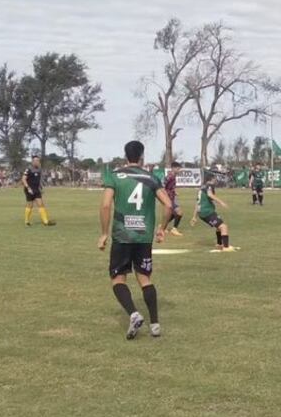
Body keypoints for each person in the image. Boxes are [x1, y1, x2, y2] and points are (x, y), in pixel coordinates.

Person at [98, 141, 173, 339]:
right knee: (144, 278)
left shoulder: (114, 176)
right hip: (143, 236)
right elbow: (168, 205)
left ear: (125, 156)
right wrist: (161, 229)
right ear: (142, 157)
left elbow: (105, 206)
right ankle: (155, 324)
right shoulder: (151, 178)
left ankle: (134, 313)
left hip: (122, 236)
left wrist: (104, 233)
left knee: (118, 278)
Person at [191, 174, 235, 252]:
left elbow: (198, 203)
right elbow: (210, 194)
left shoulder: (202, 188)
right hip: (207, 212)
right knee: (223, 227)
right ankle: (226, 247)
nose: (216, 180)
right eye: (215, 179)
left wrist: (194, 217)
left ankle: (219, 244)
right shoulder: (209, 186)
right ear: (211, 179)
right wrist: (221, 202)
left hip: (202, 212)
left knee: (219, 227)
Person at [23, 155, 56, 226]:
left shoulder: (39, 169)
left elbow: (39, 180)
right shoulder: (28, 169)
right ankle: (26, 221)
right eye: (35, 160)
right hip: (29, 189)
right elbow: (23, 179)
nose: (37, 162)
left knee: (41, 204)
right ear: (32, 161)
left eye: (38, 160)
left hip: (37, 189)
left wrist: (41, 189)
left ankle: (46, 222)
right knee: (30, 205)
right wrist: (28, 188)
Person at [162, 162, 186, 236]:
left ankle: (163, 226)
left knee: (172, 214)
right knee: (179, 213)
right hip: (169, 198)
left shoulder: (173, 176)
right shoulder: (170, 176)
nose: (179, 170)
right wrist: (166, 195)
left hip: (172, 197)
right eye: (178, 169)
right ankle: (174, 229)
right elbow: (162, 186)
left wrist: (174, 192)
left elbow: (170, 187)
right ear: (173, 168)